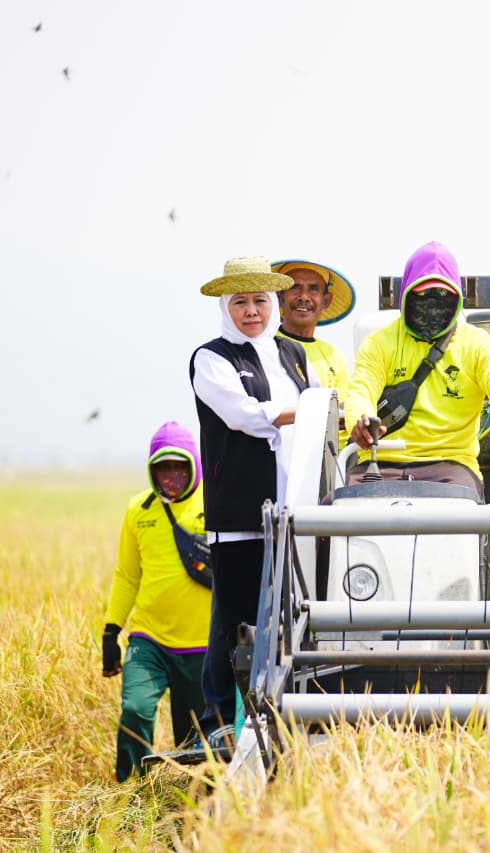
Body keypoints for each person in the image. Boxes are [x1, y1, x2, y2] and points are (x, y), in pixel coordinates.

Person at [189, 257, 312, 738]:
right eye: (240, 301)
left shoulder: (291, 355)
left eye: (260, 300)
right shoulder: (211, 357)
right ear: (226, 306)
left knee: (288, 619)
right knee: (233, 626)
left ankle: (278, 715)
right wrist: (294, 414)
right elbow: (242, 415)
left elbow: (315, 409)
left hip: (291, 513)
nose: (252, 311)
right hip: (239, 513)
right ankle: (219, 722)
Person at [343, 241, 490, 500]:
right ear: (406, 295)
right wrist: (361, 422)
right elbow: (361, 390)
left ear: (457, 299)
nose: (432, 306)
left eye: (442, 296)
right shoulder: (379, 343)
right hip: (380, 462)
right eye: (423, 296)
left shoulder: (476, 343)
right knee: (334, 517)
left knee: (458, 516)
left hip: (451, 464)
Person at [101, 421, 210, 782]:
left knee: (193, 740)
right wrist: (111, 631)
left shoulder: (214, 502)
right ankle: (131, 791)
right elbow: (127, 575)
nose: (171, 476)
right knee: (135, 709)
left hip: (202, 645)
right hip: (149, 639)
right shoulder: (139, 510)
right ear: (152, 469)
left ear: (194, 464)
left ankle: (188, 801)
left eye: (180, 466)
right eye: (163, 467)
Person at [271, 259, 356, 447]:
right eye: (295, 288)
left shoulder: (334, 357)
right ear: (279, 297)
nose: (304, 297)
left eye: (313, 289)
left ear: (326, 300)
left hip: (322, 458)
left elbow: (343, 416)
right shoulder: (265, 345)